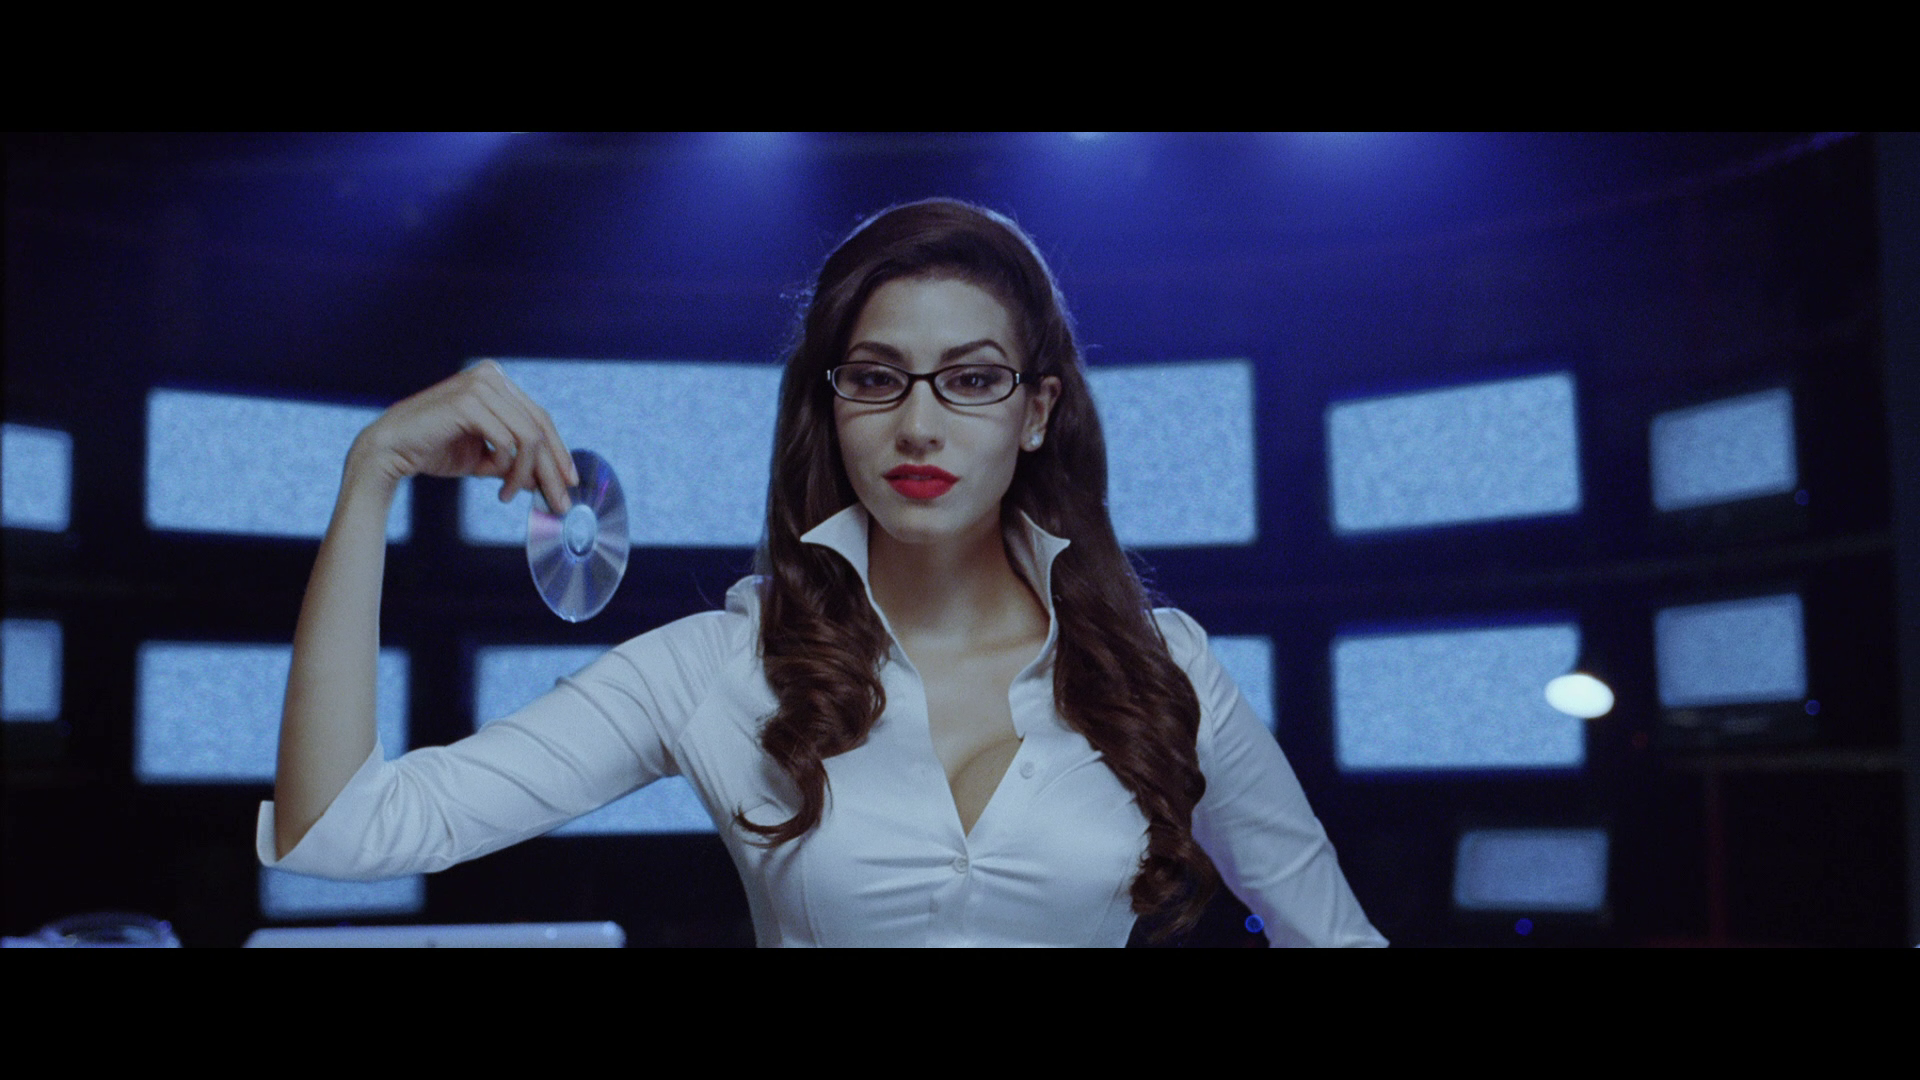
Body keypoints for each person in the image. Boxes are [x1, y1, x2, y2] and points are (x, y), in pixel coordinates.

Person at [262, 199, 1385, 947]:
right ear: (832, 407)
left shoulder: (1164, 667)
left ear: (1038, 411)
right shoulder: (720, 668)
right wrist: (373, 474)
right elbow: (343, 832)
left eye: (973, 380)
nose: (920, 425)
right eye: (877, 378)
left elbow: (1335, 938)